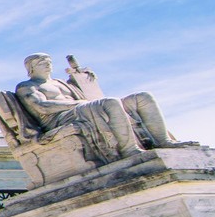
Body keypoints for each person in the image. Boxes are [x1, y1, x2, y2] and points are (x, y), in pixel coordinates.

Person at [14, 53, 182, 163]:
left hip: (83, 108)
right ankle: (129, 149)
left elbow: (84, 95)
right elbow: (42, 107)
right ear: (31, 68)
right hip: (63, 117)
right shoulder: (26, 86)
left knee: (143, 98)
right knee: (110, 103)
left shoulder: (60, 83)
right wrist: (78, 104)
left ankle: (163, 141)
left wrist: (81, 77)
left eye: (48, 61)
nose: (47, 64)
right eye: (41, 62)